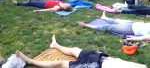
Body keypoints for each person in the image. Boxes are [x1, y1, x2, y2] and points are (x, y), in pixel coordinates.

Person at [14, 35, 147, 68]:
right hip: (102, 58)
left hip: (96, 66)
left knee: (61, 63)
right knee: (75, 50)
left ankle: (30, 61)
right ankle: (56, 45)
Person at [78, 12, 150, 41]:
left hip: (130, 29)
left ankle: (87, 26)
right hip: (134, 23)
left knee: (109, 27)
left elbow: (145, 37)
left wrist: (131, 39)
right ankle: (105, 18)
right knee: (117, 20)